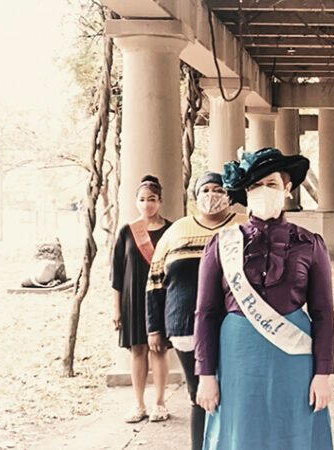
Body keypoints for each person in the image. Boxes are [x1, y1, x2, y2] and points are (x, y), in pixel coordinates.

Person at [194, 148, 334, 450]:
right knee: (240, 431)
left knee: (293, 428)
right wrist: (205, 374)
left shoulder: (310, 243)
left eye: (271, 184)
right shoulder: (221, 244)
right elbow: (205, 312)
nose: (263, 190)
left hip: (294, 355)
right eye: (255, 185)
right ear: (246, 191)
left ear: (287, 188)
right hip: (237, 354)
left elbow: (323, 313)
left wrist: (323, 373)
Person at [145, 172, 245, 449]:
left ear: (229, 195)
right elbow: (155, 281)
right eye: (205, 190)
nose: (212, 195)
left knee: (233, 393)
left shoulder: (242, 226)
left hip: (232, 326)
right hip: (184, 326)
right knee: (199, 393)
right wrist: (154, 328)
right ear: (195, 196)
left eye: (218, 189)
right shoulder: (176, 231)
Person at [111, 175, 173, 423]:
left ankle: (160, 403)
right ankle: (138, 404)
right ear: (136, 201)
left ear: (160, 201)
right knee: (137, 350)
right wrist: (116, 309)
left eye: (152, 199)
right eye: (142, 199)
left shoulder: (171, 230)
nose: (147, 204)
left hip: (161, 298)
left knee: (159, 349)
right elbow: (117, 274)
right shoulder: (127, 232)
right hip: (133, 300)